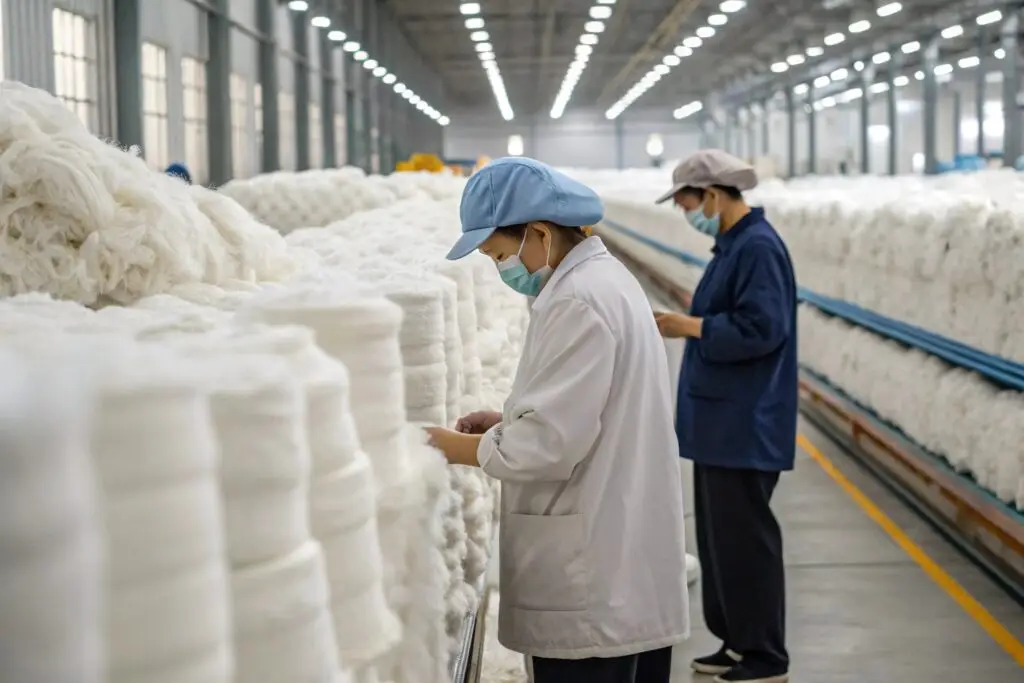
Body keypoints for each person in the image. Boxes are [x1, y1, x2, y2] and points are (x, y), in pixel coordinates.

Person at [425, 157, 689, 683]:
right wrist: (509, 419)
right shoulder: (606, 281)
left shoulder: (576, 301)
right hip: (618, 561)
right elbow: (598, 405)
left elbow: (546, 445)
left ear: (539, 234)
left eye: (499, 253)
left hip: (591, 579)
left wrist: (453, 447)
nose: (500, 268)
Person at [652, 149, 796, 683]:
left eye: (687, 202)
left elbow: (764, 329)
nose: (684, 212)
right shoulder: (732, 247)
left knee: (747, 542)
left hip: (746, 424)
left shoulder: (758, 248)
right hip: (722, 425)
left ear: (711, 195)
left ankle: (765, 656)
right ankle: (735, 642)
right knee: (720, 542)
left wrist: (691, 328)